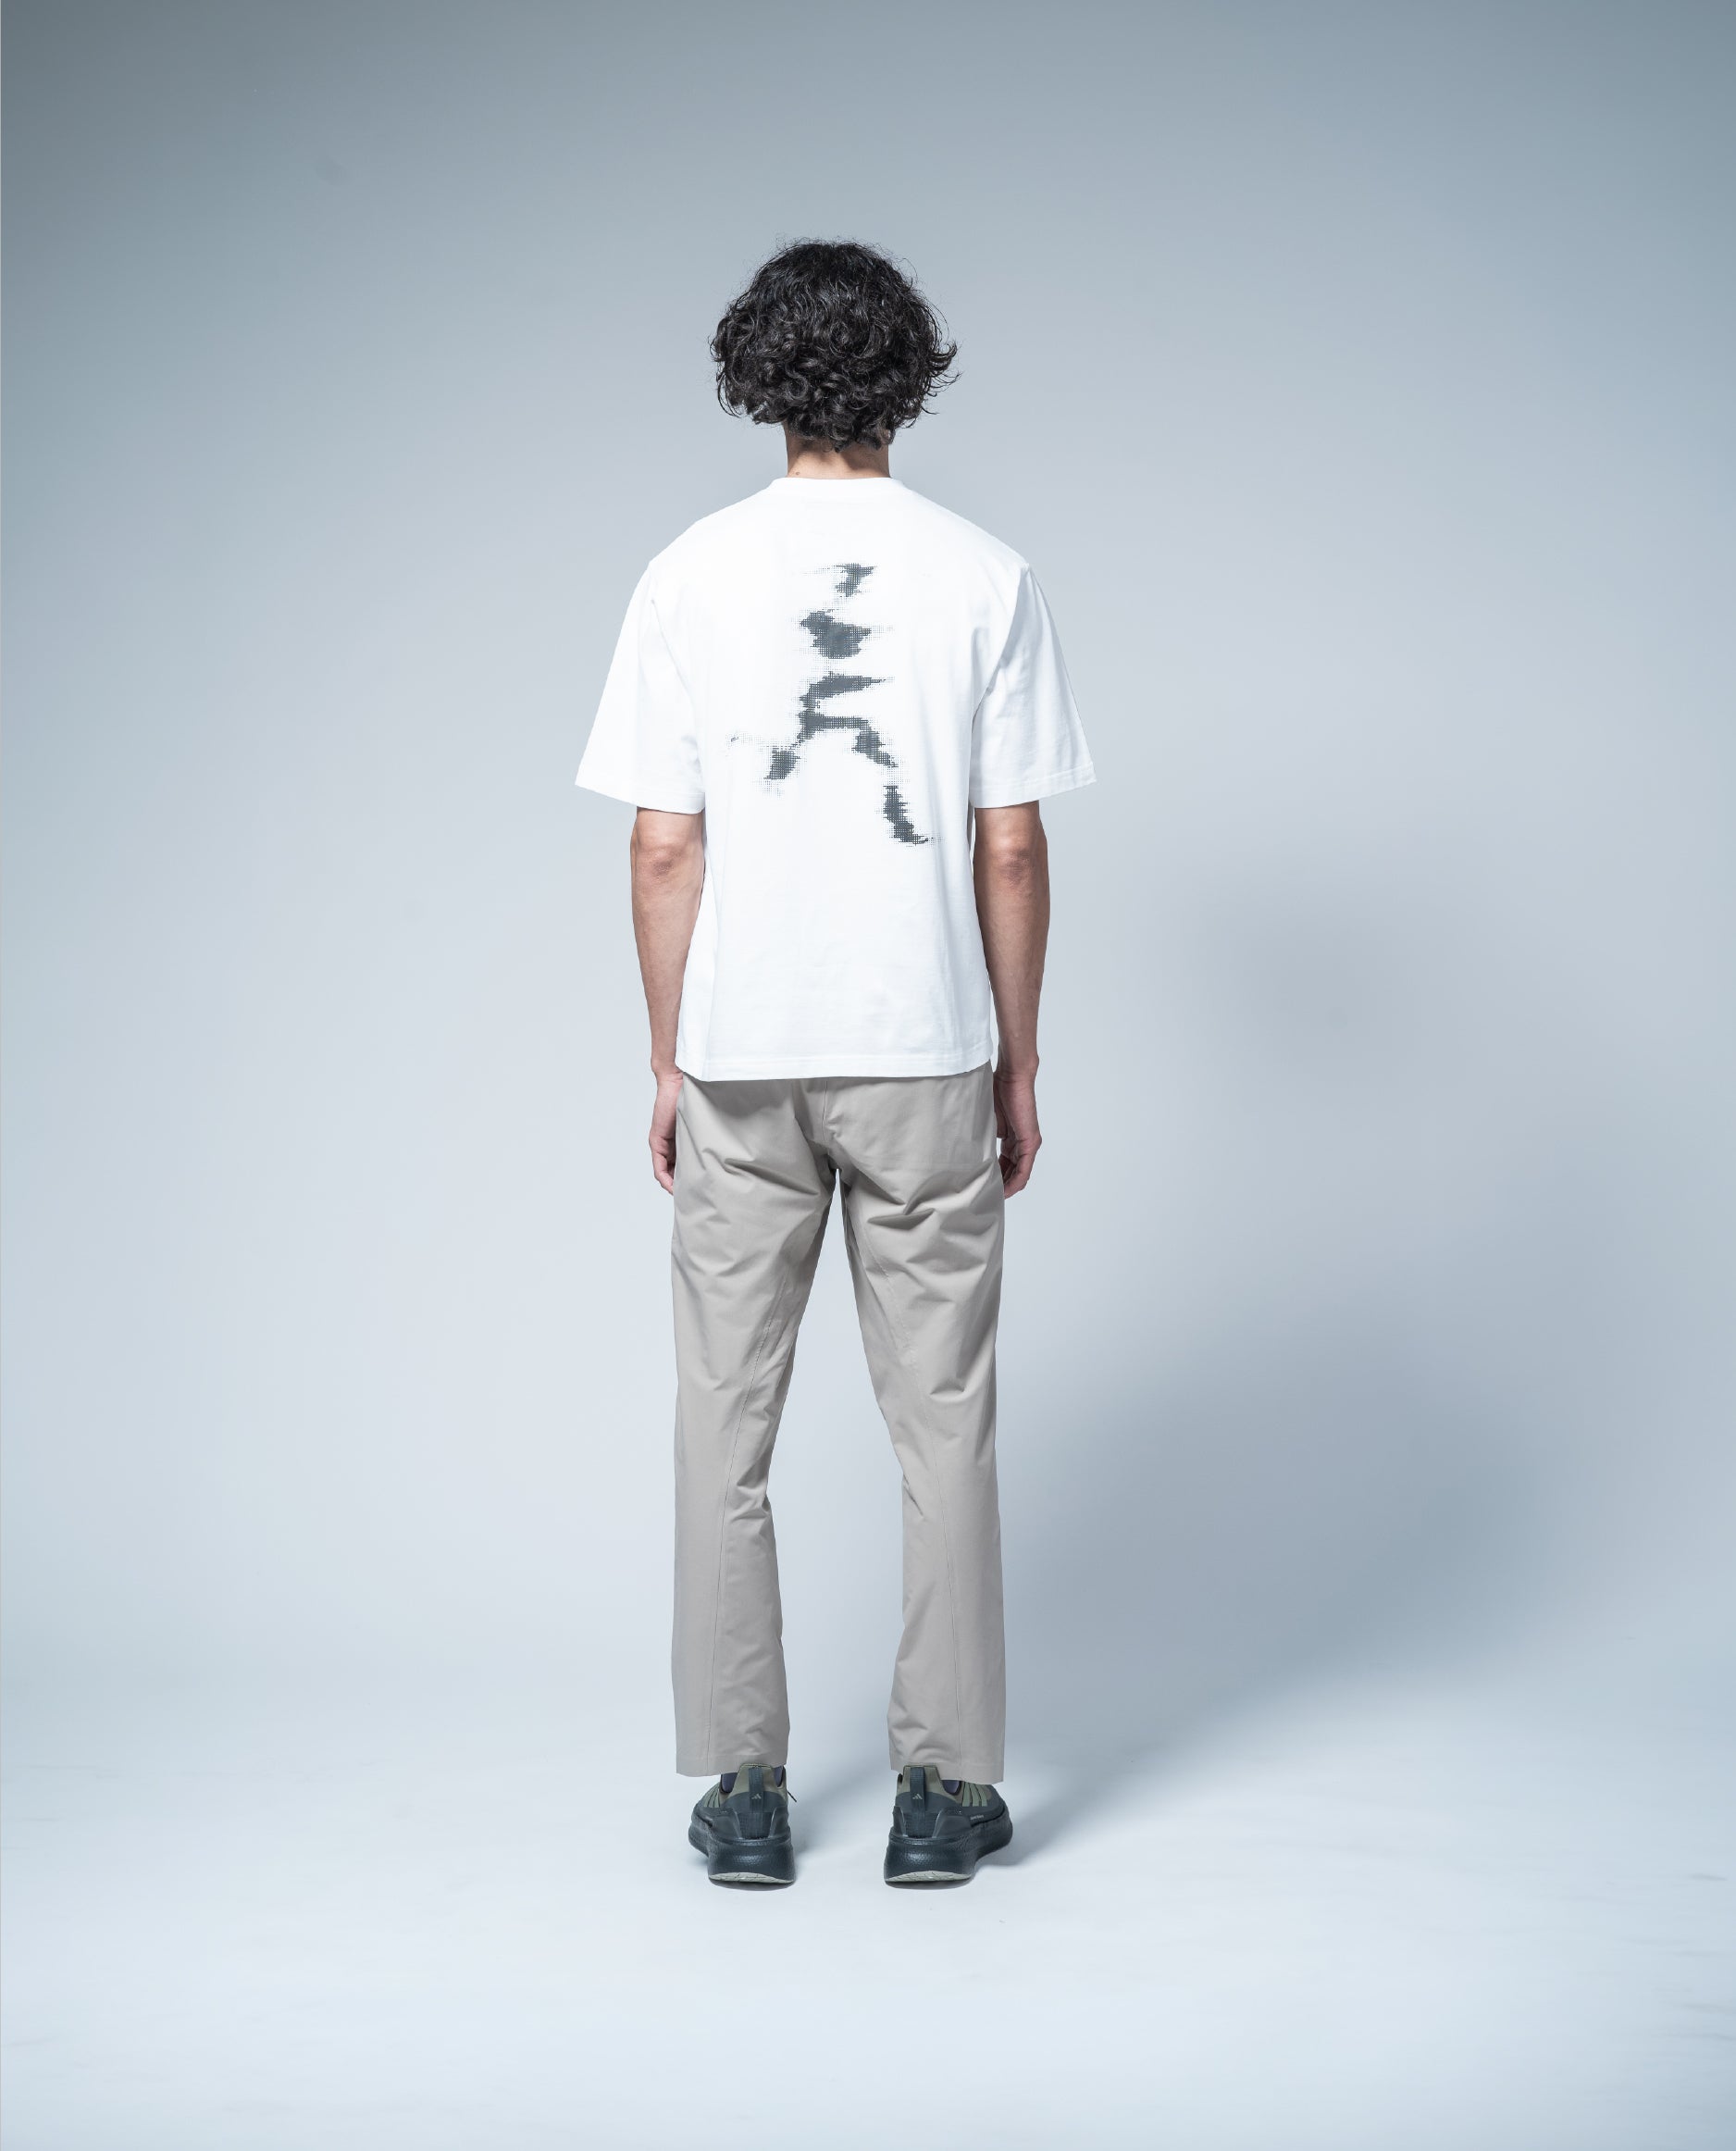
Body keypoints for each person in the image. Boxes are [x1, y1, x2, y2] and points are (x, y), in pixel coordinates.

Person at [575, 240, 1093, 1887]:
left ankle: (744, 1790)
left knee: (722, 1426)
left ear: (757, 379)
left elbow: (666, 847)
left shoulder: (686, 574)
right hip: (925, 1047)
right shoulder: (987, 577)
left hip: (743, 1056)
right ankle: (943, 1793)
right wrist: (1018, 1059)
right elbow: (1008, 847)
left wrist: (669, 1058)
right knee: (944, 1426)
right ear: (909, 379)